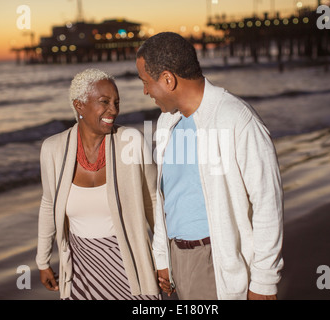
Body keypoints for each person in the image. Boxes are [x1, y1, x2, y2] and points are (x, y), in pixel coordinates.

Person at [136, 32, 284, 300]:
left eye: (146, 82)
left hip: (216, 261)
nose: (145, 91)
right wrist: (163, 257)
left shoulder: (236, 119)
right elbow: (168, 199)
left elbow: (267, 204)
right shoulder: (167, 123)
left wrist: (264, 281)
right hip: (178, 257)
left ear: (168, 80)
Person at [36, 68, 160, 300]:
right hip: (80, 268)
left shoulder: (130, 142)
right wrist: (42, 260)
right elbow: (48, 203)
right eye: (104, 102)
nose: (113, 110)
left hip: (129, 263)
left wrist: (163, 258)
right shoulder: (53, 149)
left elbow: (152, 200)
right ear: (79, 105)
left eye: (116, 102)